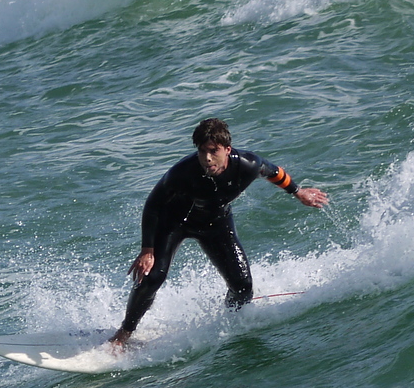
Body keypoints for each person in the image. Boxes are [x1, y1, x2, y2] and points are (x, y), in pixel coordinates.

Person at [110, 117, 328, 346]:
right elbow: (153, 204)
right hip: (173, 223)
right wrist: (147, 250)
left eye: (213, 151)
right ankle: (123, 335)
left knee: (243, 287)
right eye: (202, 151)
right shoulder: (182, 172)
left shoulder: (248, 164)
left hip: (215, 224)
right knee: (152, 277)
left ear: (227, 150)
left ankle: (228, 323)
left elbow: (274, 172)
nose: (207, 158)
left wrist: (297, 192)